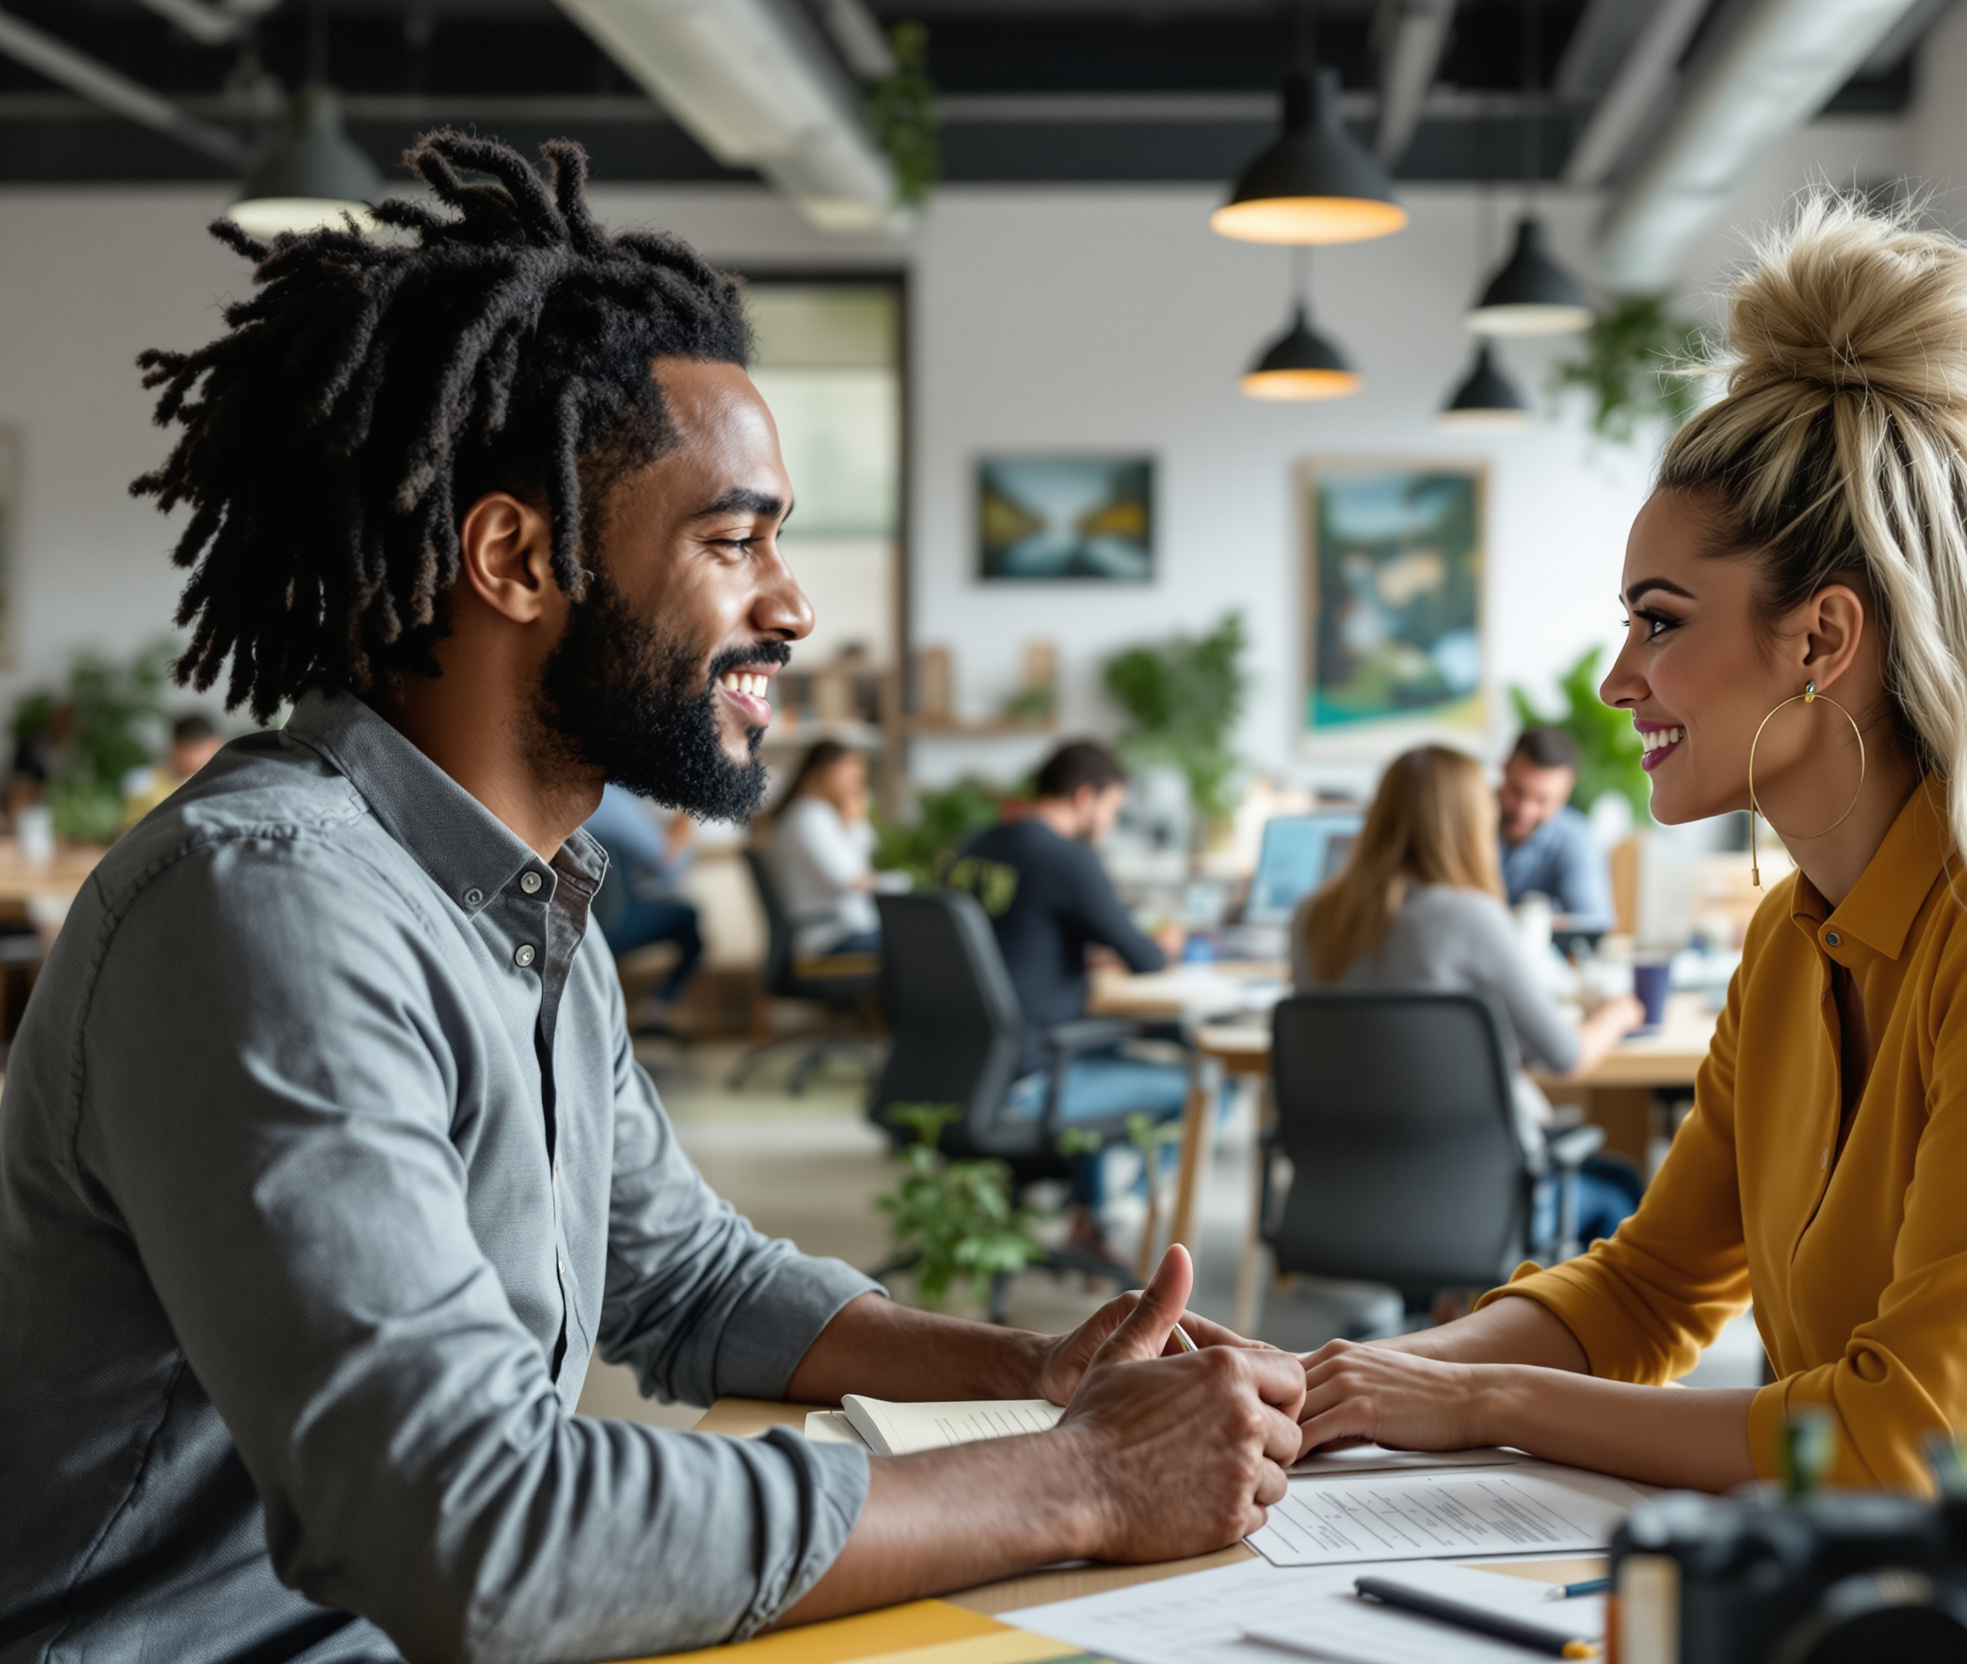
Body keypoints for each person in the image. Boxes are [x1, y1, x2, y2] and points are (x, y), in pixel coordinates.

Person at [0, 135, 1302, 1664]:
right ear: (515, 555)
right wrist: (1075, 1481)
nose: (794, 602)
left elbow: (684, 1277)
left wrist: (1040, 1372)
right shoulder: (269, 911)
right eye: (733, 538)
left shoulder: (523, 895)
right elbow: (476, 1537)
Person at [1296, 195, 1967, 1515]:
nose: (1618, 681)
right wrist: (1349, 1383)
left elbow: (1907, 1447)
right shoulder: (1792, 940)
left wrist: (1477, 1400)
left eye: (1660, 622)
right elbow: (1651, 1290)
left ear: (1822, 641)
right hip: (1887, 1590)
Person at [1290, 745, 1646, 1245]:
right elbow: (1566, 1057)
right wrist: (1616, 1015)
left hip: (1347, 1199)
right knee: (1623, 1189)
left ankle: (1437, 1299)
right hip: (1480, 1206)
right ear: (1469, 822)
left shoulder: (1311, 919)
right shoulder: (1473, 917)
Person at [945, 742, 1192, 1209]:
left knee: (1106, 1048)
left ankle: (1088, 1215)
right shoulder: (1066, 857)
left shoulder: (979, 845)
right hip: (1029, 1074)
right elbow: (1146, 959)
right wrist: (1170, 942)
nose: (1111, 824)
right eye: (1113, 809)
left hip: (961, 1069)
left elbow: (1004, 939)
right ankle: (1120, 1212)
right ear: (1085, 798)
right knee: (1201, 1083)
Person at [585, 782, 707, 1023]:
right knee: (688, 919)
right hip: (605, 926)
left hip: (565, 920)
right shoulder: (611, 799)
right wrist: (688, 812)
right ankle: (657, 1009)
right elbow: (670, 867)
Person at [764, 738, 881, 956]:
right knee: (915, 946)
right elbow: (851, 880)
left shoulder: (818, 815)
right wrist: (856, 820)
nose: (857, 783)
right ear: (825, 771)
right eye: (851, 774)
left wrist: (853, 819)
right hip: (829, 937)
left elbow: (867, 858)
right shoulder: (809, 817)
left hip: (839, 931)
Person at [1496, 725, 1613, 929]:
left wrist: (1534, 925)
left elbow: (1594, 921)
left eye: (1542, 800)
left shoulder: (1576, 837)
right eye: (1517, 791)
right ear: (1504, 769)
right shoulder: (1462, 819)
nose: (1525, 811)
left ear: (1565, 794)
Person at [121, 710, 224, 827]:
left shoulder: (223, 783)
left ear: (216, 745)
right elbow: (128, 832)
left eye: (198, 749)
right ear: (175, 746)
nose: (192, 757)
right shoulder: (144, 781)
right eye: (187, 749)